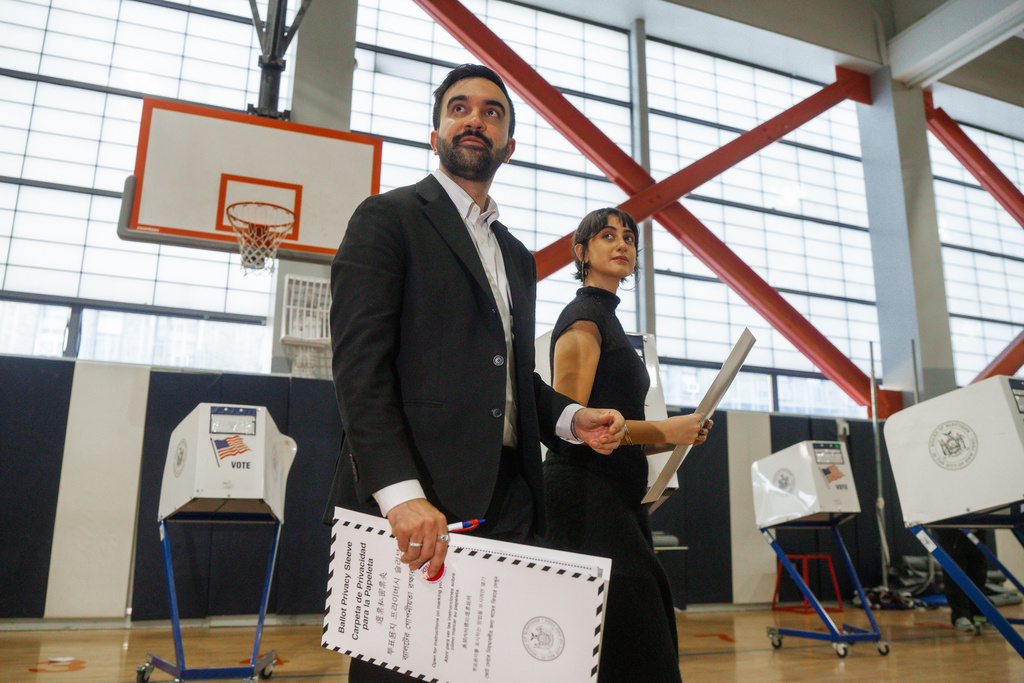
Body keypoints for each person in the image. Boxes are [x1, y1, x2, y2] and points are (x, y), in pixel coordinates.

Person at [327, 64, 626, 683]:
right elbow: (360, 370)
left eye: (492, 112)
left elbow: (510, 379)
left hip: (511, 500)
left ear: (508, 145)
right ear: (434, 130)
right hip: (420, 503)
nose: (474, 119)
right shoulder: (388, 218)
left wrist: (570, 418)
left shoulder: (515, 255)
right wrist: (399, 494)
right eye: (459, 108)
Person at [543, 207, 712, 683]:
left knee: (637, 635)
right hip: (583, 498)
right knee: (635, 642)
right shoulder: (584, 318)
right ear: (581, 253)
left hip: (617, 497)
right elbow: (574, 424)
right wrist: (666, 430)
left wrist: (678, 437)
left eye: (630, 238)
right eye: (607, 236)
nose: (622, 244)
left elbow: (616, 434)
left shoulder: (610, 321)